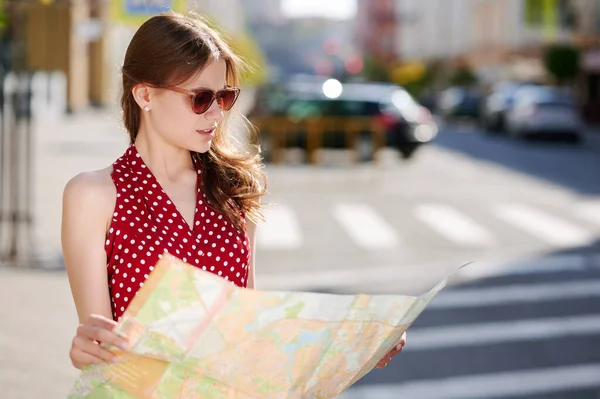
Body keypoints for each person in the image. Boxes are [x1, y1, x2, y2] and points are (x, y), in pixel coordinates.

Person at [61, 12, 405, 374]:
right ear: (145, 94)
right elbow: (99, 346)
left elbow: (250, 332)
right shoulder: (93, 195)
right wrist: (85, 352)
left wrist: (347, 348)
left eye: (224, 98)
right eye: (200, 98)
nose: (216, 114)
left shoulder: (235, 188)